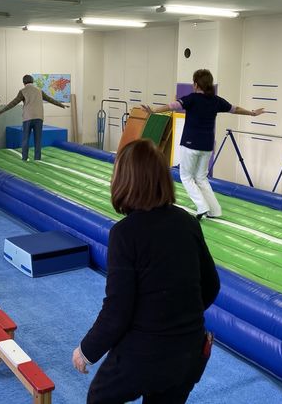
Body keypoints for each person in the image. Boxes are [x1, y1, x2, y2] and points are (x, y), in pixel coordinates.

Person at [72, 139, 220, 403]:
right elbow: (211, 285)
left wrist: (86, 351)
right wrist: (177, 318)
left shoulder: (125, 234)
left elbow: (117, 311)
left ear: (124, 181)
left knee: (99, 397)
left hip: (146, 355)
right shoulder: (187, 223)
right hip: (189, 353)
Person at [143, 69, 265, 219]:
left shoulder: (192, 98)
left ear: (195, 84)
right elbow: (235, 109)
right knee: (201, 178)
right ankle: (215, 210)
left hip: (190, 144)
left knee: (186, 176)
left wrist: (154, 110)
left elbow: (173, 105)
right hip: (207, 146)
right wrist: (252, 113)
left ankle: (201, 206)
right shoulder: (216, 100)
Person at [0, 75, 68, 161]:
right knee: (38, 140)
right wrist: (62, 105)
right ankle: (37, 158)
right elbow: (50, 99)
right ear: (32, 81)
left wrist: (2, 111)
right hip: (39, 117)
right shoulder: (39, 91)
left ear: (23, 82)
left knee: (25, 139)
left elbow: (13, 103)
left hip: (28, 118)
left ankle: (24, 158)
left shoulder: (23, 91)